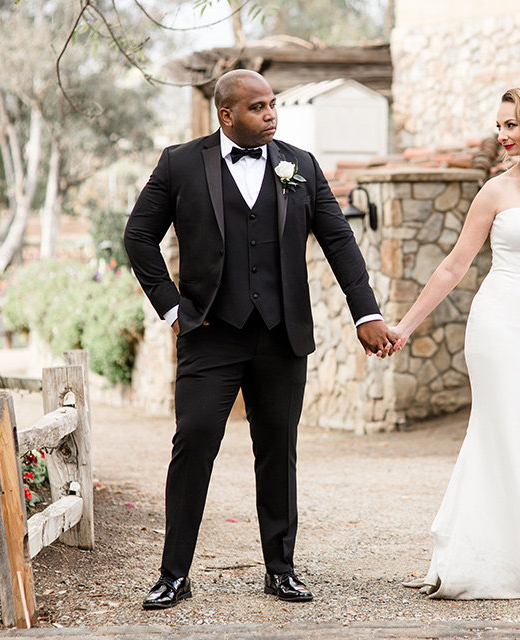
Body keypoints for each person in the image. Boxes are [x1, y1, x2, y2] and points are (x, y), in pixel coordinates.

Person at [124, 69, 396, 609]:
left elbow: (340, 242)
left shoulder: (301, 164)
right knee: (194, 445)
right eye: (258, 107)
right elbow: (139, 237)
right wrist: (174, 309)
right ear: (227, 115)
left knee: (278, 452)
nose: (272, 114)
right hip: (209, 335)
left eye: (274, 105)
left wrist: (365, 312)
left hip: (281, 334)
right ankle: (174, 574)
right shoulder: (180, 163)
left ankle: (281, 570)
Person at [394, 87, 520, 599]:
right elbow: (454, 266)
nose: (502, 135)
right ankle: (478, 562)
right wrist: (404, 327)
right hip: (498, 324)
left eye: (512, 125)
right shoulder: (493, 191)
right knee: (499, 429)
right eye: (499, 126)